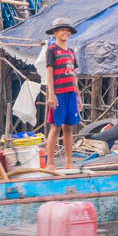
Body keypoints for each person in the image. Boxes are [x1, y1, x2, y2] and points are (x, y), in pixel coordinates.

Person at [44, 17, 83, 171]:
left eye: (68, 30)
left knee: (69, 128)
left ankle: (68, 162)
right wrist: (51, 95)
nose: (66, 32)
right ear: (55, 32)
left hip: (71, 94)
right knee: (55, 127)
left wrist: (78, 96)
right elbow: (49, 74)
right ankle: (50, 163)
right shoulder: (52, 50)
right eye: (62, 30)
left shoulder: (71, 52)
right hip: (58, 94)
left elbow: (73, 75)